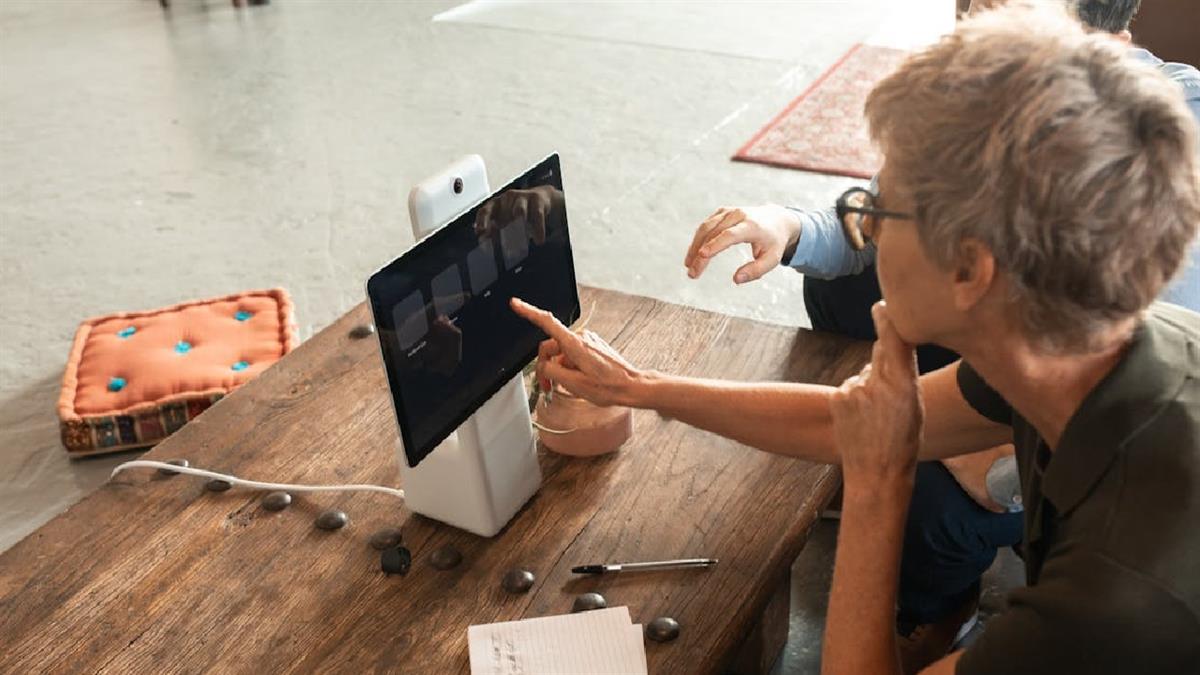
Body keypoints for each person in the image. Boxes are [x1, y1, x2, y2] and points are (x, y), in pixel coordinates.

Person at [510, 2, 1200, 673]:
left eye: (879, 208)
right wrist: (640, 386)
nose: (864, 228)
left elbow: (866, 446)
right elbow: (841, 420)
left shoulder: (1109, 615)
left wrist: (877, 484)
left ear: (969, 268)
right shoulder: (1084, 339)